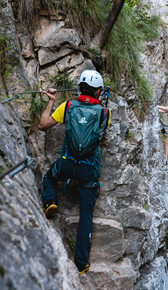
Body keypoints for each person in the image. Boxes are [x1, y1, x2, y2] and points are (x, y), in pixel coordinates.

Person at [38, 70, 110, 275]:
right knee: (86, 214)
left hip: (67, 163)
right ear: (98, 91)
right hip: (89, 169)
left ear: (79, 87)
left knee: (49, 177)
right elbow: (102, 133)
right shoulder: (105, 113)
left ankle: (51, 200)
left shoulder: (67, 106)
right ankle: (81, 263)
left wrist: (52, 101)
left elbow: (43, 125)